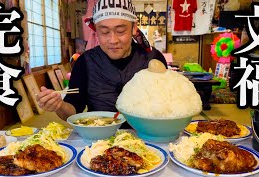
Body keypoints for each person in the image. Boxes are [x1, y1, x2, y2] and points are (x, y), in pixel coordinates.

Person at [36, 0, 167, 128]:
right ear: (96, 31)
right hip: (99, 138)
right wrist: (59, 106)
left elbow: (167, 104)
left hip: (146, 136)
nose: (113, 40)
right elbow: (73, 110)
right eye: (104, 32)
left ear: (134, 27)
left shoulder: (153, 59)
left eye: (120, 31)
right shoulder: (85, 62)